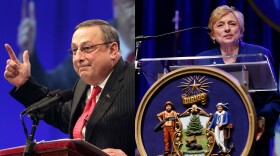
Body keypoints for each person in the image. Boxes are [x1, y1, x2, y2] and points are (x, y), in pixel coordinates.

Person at [4, 19, 135, 156]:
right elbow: (60, 115)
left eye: (87, 48)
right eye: (74, 50)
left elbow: (157, 135)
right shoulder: (82, 85)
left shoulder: (135, 80)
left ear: (112, 50)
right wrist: (24, 83)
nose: (78, 57)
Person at [196, 5, 280, 155]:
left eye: (232, 24)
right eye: (220, 25)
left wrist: (262, 120)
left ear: (241, 30)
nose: (227, 29)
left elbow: (274, 100)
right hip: (211, 138)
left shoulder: (258, 54)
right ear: (213, 34)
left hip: (253, 136)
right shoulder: (202, 60)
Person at [17, 0, 135, 90]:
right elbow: (50, 87)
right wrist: (28, 53)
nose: (137, 13)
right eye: (130, 4)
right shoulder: (93, 40)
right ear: (115, 6)